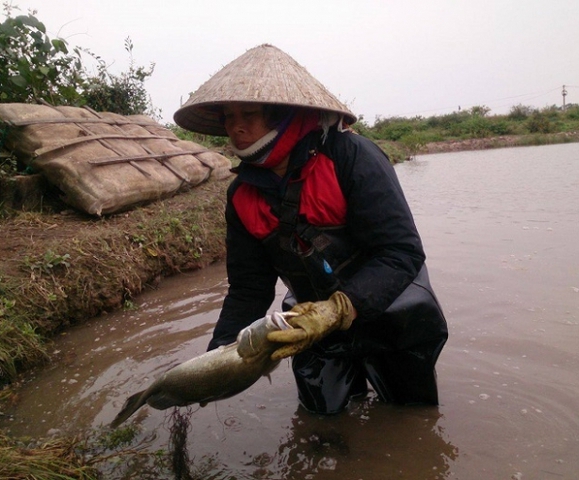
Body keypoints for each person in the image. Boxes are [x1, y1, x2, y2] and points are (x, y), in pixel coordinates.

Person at [174, 44, 448, 415]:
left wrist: (340, 309)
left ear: (284, 115)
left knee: (411, 418)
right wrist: (220, 358)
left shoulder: (351, 157)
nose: (234, 127)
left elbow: (401, 253)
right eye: (228, 116)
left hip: (394, 311)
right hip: (309, 323)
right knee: (322, 421)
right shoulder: (242, 194)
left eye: (249, 114)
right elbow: (249, 290)